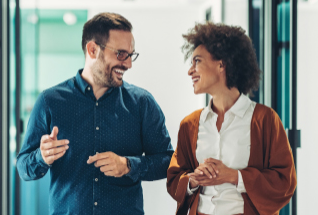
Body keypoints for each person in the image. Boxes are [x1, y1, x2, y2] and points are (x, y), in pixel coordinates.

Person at [17, 12, 174, 215]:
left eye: (131, 55)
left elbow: (168, 161)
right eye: (120, 54)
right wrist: (41, 157)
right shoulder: (50, 102)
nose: (128, 64)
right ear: (92, 50)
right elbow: (23, 167)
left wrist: (128, 165)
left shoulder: (142, 103)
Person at [167, 22, 296, 215]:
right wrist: (194, 180)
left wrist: (234, 176)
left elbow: (284, 182)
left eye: (197, 61)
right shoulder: (190, 124)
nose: (190, 70)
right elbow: (174, 179)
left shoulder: (265, 120)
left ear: (221, 64)